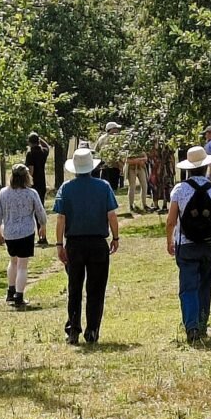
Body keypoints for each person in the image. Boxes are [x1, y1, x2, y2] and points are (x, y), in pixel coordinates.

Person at [167, 146, 211, 343]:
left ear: (188, 169)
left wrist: (169, 239)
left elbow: (171, 220)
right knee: (205, 286)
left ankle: (192, 327)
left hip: (186, 245)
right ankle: (202, 324)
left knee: (188, 287)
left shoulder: (179, 190)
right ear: (207, 167)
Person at [54, 147, 119, 345]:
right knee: (96, 289)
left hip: (74, 243)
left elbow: (61, 219)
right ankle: (92, 329)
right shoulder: (104, 186)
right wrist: (115, 237)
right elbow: (111, 216)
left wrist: (59, 244)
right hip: (98, 243)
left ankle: (73, 329)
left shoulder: (66, 188)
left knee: (74, 287)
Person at [0, 163, 47, 309]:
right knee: (23, 265)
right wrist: (43, 226)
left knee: (13, 261)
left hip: (9, 233)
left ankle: (10, 290)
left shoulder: (3, 193)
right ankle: (19, 295)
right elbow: (40, 213)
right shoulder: (31, 193)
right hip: (26, 232)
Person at [123, 134, 150, 213]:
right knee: (132, 186)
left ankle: (144, 204)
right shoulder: (127, 148)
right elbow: (127, 160)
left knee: (144, 185)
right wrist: (138, 160)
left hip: (140, 168)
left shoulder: (140, 147)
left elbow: (145, 158)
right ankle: (131, 205)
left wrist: (138, 160)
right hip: (131, 169)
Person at [95, 122, 124, 190]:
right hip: (114, 165)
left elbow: (96, 150)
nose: (117, 130)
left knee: (104, 184)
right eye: (116, 128)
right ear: (111, 129)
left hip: (104, 165)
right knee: (113, 186)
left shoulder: (101, 138)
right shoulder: (115, 138)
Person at [24, 132, 50, 206]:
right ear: (38, 141)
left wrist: (27, 183)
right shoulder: (43, 152)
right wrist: (39, 139)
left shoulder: (30, 154)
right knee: (40, 205)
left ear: (29, 142)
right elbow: (47, 146)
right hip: (42, 183)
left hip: (34, 184)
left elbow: (31, 170)